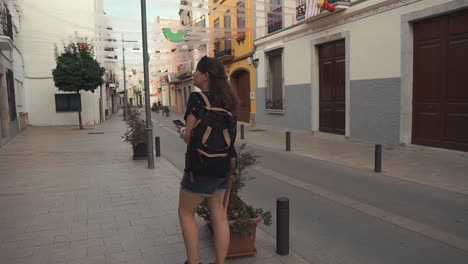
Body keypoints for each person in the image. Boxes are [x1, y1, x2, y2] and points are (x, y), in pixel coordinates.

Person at [177, 56, 238, 264]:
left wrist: (183, 131)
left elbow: (189, 137)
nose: (193, 74)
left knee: (186, 213)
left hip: (200, 168)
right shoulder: (229, 101)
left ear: (205, 75)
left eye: (196, 71)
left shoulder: (197, 99)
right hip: (224, 166)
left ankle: (193, 262)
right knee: (219, 214)